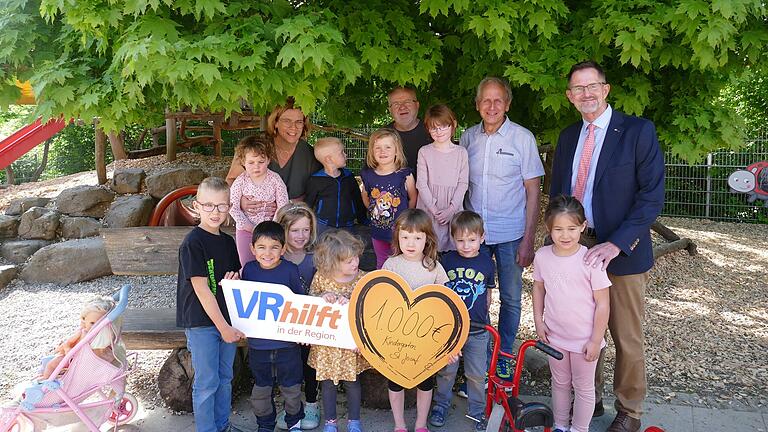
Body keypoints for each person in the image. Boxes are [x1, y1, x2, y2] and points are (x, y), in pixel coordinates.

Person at [549, 60, 665, 432]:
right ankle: (589, 397)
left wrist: (616, 244)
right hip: (578, 250)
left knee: (626, 336)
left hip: (622, 252)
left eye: (592, 86)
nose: (586, 94)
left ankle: (630, 411)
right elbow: (559, 196)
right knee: (584, 330)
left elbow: (651, 198)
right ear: (570, 96)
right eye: (578, 89)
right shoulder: (568, 137)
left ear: (606, 89)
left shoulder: (637, 131)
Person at [460, 77, 544, 378]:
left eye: (498, 100)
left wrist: (528, 240)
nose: (492, 106)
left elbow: (533, 190)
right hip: (474, 237)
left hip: (511, 234)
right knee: (473, 296)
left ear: (507, 104)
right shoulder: (467, 138)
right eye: (486, 100)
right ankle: (475, 359)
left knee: (510, 297)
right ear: (477, 104)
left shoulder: (523, 138)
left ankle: (506, 356)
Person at [532, 195, 611, 432]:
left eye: (572, 228)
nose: (565, 235)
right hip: (555, 334)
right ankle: (560, 425)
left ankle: (578, 429)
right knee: (560, 383)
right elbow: (538, 287)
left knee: (584, 386)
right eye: (558, 229)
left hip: (584, 339)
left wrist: (596, 340)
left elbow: (603, 304)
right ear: (548, 229)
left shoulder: (591, 260)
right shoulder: (542, 256)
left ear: (583, 227)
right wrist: (538, 320)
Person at [177, 177, 244, 432]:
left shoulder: (228, 242)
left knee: (225, 378)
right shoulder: (193, 243)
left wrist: (234, 280)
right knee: (207, 382)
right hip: (202, 322)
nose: (215, 212)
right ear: (196, 206)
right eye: (208, 206)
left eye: (221, 206)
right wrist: (224, 328)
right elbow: (202, 290)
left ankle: (223, 425)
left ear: (229, 207)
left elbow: (233, 279)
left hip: (227, 318)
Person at [382, 208, 449, 432]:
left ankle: (420, 424)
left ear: (427, 239)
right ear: (397, 238)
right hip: (397, 337)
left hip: (426, 338)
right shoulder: (391, 265)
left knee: (425, 381)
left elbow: (446, 304)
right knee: (395, 381)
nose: (411, 243)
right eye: (405, 237)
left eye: (417, 238)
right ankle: (399, 425)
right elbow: (382, 300)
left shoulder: (434, 267)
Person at [429, 211, 495, 432]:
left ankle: (478, 411)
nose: (466, 245)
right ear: (452, 238)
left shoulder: (487, 263)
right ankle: (440, 405)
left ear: (482, 238)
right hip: (451, 329)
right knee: (447, 370)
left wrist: (485, 316)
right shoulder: (447, 260)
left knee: (476, 374)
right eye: (460, 240)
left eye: (472, 240)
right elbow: (442, 292)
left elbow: (487, 293)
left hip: (477, 329)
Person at [241, 221, 306, 432]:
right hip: (258, 345)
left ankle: (294, 422)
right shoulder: (248, 271)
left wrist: (303, 331)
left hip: (287, 345)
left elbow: (301, 303)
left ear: (283, 249)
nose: (267, 253)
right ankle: (265, 425)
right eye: (261, 247)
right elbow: (241, 302)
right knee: (261, 391)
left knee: (292, 389)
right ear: (252, 249)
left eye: (274, 247)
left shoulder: (290, 270)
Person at [307, 230, 372, 432]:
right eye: (348, 261)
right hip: (327, 344)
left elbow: (371, 305)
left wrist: (353, 301)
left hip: (351, 344)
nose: (354, 264)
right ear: (332, 262)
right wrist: (323, 296)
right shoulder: (321, 277)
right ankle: (330, 422)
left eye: (355, 258)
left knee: (353, 383)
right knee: (327, 384)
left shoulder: (363, 278)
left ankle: (354, 422)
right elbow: (311, 299)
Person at [226, 97, 322, 211]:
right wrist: (240, 201)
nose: (293, 127)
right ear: (275, 122)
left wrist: (288, 204)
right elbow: (230, 181)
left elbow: (318, 192)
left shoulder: (310, 154)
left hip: (295, 219)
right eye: (287, 121)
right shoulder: (253, 145)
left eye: (299, 122)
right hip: (253, 218)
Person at [274, 202, 320, 430]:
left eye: (306, 229)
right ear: (283, 229)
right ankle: (292, 406)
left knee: (309, 363)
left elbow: (322, 286)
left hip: (311, 323)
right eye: (295, 230)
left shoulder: (314, 257)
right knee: (287, 366)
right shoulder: (275, 257)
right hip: (284, 324)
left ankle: (312, 403)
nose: (302, 235)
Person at [360, 128, 418, 269]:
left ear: (396, 150)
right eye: (378, 148)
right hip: (378, 232)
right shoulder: (367, 175)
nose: (382, 151)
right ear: (372, 152)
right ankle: (384, 288)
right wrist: (375, 212)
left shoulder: (405, 174)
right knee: (382, 262)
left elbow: (413, 197)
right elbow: (366, 197)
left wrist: (406, 217)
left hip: (401, 233)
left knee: (401, 263)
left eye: (387, 147)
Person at [229, 135, 290, 266]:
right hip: (246, 230)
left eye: (261, 162)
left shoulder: (275, 179)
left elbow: (282, 205)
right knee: (247, 263)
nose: (256, 167)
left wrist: (272, 226)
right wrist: (249, 226)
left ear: (268, 160)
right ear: (243, 162)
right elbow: (233, 206)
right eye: (251, 163)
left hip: (271, 231)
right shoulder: (241, 181)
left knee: (270, 263)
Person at [416, 104, 469, 252]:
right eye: (434, 128)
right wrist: (434, 210)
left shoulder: (461, 153)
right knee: (428, 251)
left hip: (453, 208)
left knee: (453, 253)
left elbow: (463, 183)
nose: (439, 131)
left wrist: (451, 209)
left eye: (444, 126)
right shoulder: (424, 152)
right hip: (429, 209)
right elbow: (421, 183)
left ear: (453, 125)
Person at [40, 296, 126, 380]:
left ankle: (46, 381)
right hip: (76, 357)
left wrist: (67, 350)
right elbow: (69, 343)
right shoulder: (84, 333)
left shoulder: (101, 339)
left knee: (52, 364)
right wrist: (66, 348)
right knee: (52, 363)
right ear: (85, 320)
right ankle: (47, 378)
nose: (96, 326)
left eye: (100, 323)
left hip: (80, 362)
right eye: (92, 323)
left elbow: (77, 353)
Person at [304, 137, 368, 234]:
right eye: (342, 152)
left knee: (347, 248)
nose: (345, 155)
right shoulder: (316, 180)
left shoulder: (348, 177)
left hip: (347, 225)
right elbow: (308, 203)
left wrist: (362, 219)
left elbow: (357, 200)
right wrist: (305, 222)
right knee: (323, 248)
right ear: (329, 159)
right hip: (322, 225)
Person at [387, 86, 432, 176]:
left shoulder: (434, 132)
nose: (402, 107)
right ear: (390, 110)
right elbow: (371, 169)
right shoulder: (382, 135)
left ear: (417, 105)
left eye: (407, 102)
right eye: (396, 104)